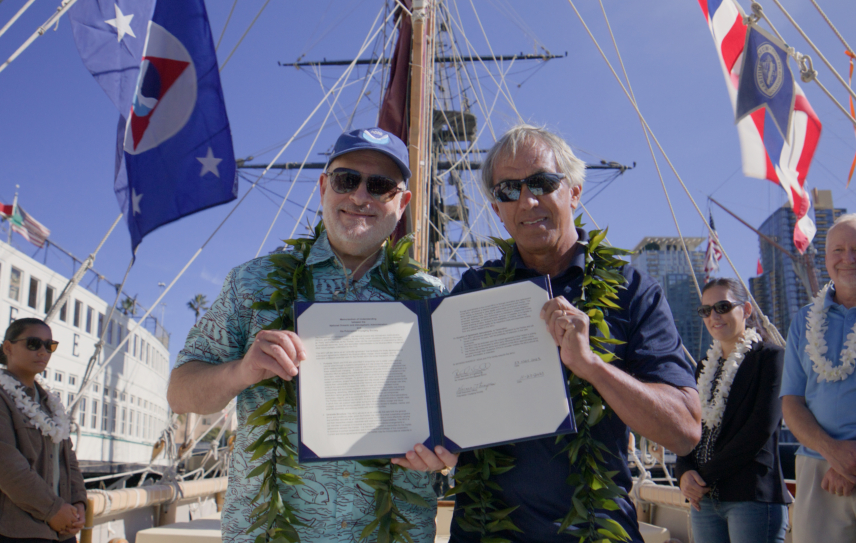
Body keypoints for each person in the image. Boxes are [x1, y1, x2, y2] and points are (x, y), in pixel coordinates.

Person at [168, 128, 456, 542]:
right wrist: (242, 371)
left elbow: (460, 420)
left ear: (402, 202)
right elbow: (180, 392)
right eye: (346, 180)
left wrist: (446, 456)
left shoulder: (433, 301)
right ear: (324, 186)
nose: (360, 197)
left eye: (380, 186)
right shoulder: (251, 283)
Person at [447, 124, 701, 543]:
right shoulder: (472, 293)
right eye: (508, 190)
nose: (527, 200)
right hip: (486, 532)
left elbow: (685, 430)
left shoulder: (631, 290)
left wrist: (593, 367)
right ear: (497, 209)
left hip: (598, 531)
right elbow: (435, 411)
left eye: (542, 183)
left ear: (575, 191)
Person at [675, 278, 790, 543]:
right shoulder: (704, 366)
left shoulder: (771, 358)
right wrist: (683, 473)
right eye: (706, 310)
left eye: (723, 306)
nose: (714, 316)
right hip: (704, 502)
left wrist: (700, 477)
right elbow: (688, 426)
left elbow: (760, 428)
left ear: (746, 310)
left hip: (751, 497)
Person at [781, 213, 856, 543]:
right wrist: (833, 452)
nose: (848, 259)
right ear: (826, 259)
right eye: (838, 250)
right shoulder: (803, 322)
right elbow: (792, 402)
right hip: (818, 470)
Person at [0, 318, 87, 542]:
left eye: (50, 346)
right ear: (8, 348)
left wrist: (79, 505)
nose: (43, 351)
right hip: (19, 532)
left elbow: (70, 461)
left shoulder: (50, 404)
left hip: (63, 530)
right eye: (33, 343)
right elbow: (7, 467)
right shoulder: (3, 398)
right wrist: (53, 510)